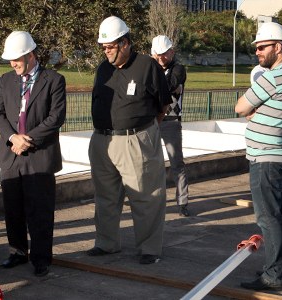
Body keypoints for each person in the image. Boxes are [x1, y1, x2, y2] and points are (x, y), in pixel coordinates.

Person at [87, 16, 171, 265]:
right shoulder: (103, 68)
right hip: (103, 141)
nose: (106, 52)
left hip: (135, 141)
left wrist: (146, 133)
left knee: (146, 196)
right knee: (105, 197)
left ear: (125, 43)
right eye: (103, 47)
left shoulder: (147, 66)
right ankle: (106, 243)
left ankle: (149, 248)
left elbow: (163, 104)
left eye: (110, 47)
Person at [234, 22, 282, 291]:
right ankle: (280, 271)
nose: (258, 52)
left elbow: (241, 107)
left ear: (278, 47)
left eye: (262, 47)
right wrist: (259, 112)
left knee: (268, 218)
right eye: (257, 48)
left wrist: (255, 112)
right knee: (280, 215)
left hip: (267, 159)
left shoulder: (272, 77)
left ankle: (273, 275)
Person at [0, 31, 66, 277]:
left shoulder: (54, 80)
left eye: (17, 59)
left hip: (39, 156)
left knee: (40, 210)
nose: (12, 64)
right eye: (10, 60)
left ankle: (41, 258)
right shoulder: (6, 80)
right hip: (11, 154)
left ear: (31, 55)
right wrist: (13, 138)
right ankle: (16, 252)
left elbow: (56, 118)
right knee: (13, 209)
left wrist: (28, 140)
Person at [151, 35, 190, 217]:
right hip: (151, 121)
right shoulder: (151, 68)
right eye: (157, 55)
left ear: (171, 52)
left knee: (176, 163)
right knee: (149, 162)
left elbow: (169, 85)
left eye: (164, 54)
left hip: (171, 122)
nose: (161, 58)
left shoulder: (178, 69)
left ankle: (182, 203)